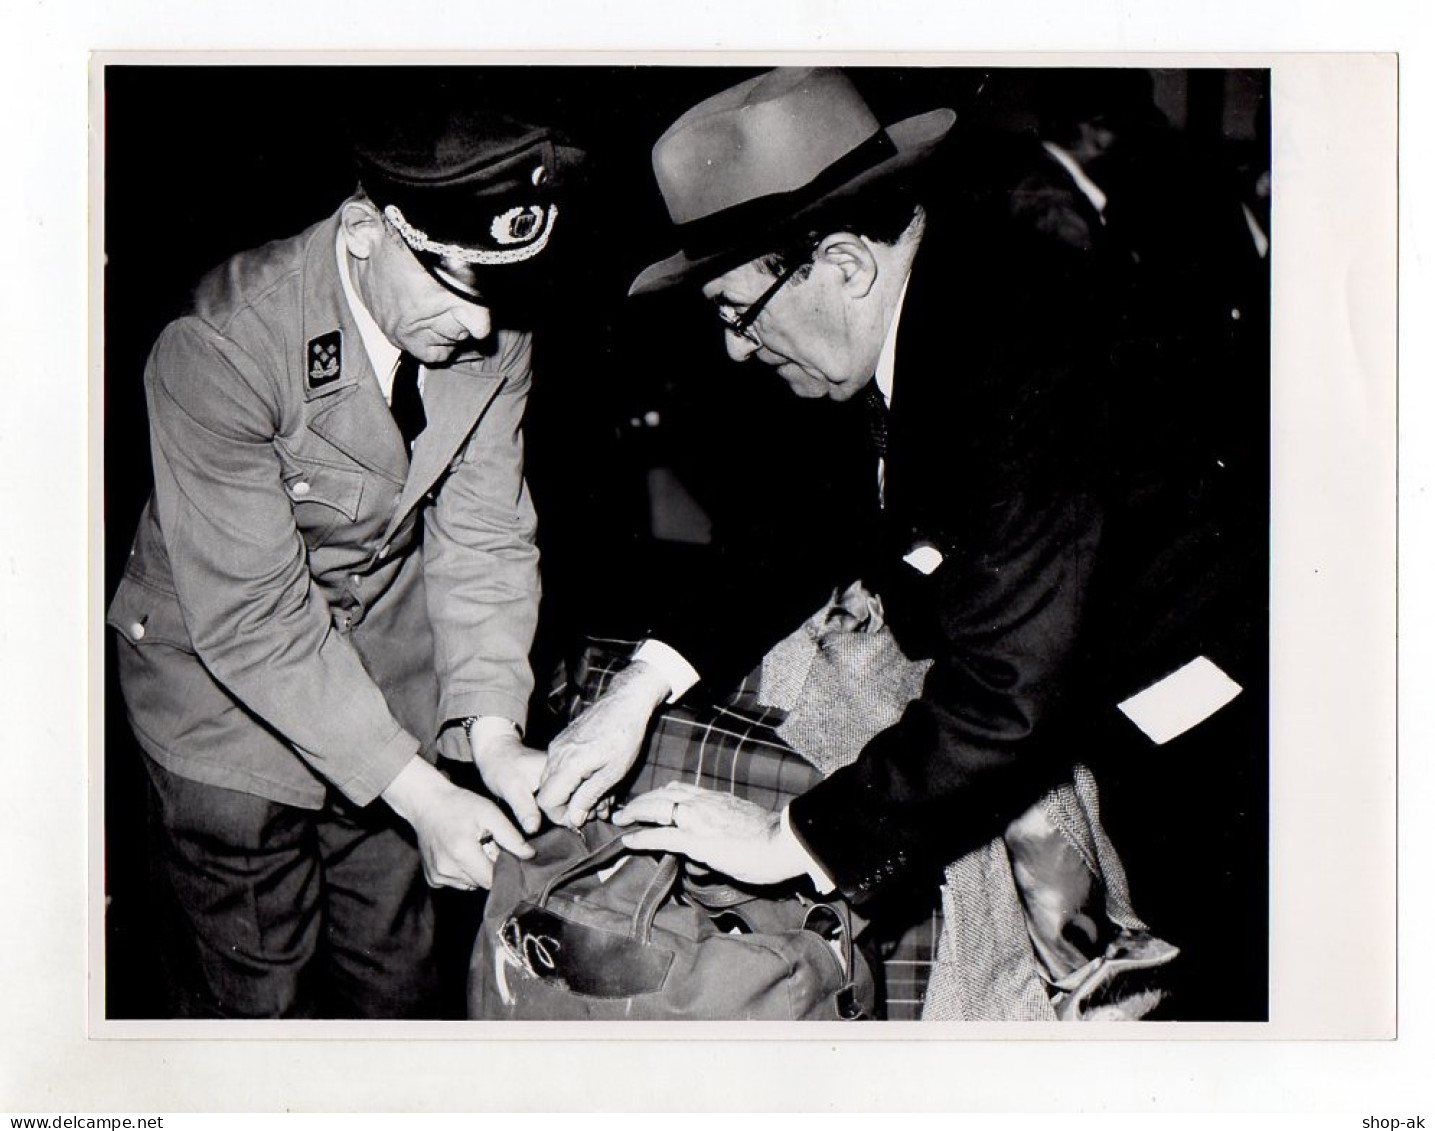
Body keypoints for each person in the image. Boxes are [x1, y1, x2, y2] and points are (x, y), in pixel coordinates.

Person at [536, 67, 1266, 1018]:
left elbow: (1006, 693)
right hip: (1085, 705)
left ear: (841, 262)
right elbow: (795, 525)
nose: (734, 350)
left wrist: (781, 839)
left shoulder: (1020, 349)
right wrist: (637, 687)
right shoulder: (907, 314)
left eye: (736, 312)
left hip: (1206, 750)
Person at [107, 102, 583, 1018]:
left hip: (390, 688)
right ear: (368, 232)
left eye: (500, 291)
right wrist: (417, 790)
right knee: (256, 1005)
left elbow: (481, 533)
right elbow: (254, 617)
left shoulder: (495, 318)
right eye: (458, 287)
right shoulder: (223, 343)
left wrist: (490, 733)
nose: (483, 331)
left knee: (396, 993)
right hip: (222, 702)